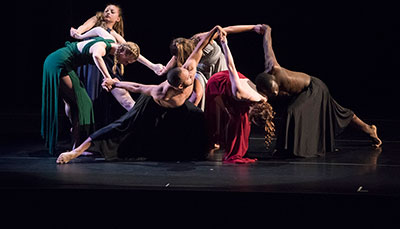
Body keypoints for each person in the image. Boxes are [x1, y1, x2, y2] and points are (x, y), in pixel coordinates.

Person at [55, 26, 222, 164]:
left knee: (198, 116)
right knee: (121, 125)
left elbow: (202, 43)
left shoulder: (190, 68)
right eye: (187, 80)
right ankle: (76, 151)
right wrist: (115, 82)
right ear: (178, 86)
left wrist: (215, 29)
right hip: (153, 105)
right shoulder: (160, 92)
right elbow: (136, 87)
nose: (191, 78)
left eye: (190, 76)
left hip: (177, 106)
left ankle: (205, 147)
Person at [255, 25, 382, 157]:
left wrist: (267, 30)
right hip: (304, 92)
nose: (276, 94)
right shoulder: (261, 87)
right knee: (339, 113)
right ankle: (369, 129)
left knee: (292, 111)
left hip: (314, 87)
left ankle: (285, 149)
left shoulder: (272, 65)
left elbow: (267, 46)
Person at [42, 26, 140, 155]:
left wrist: (80, 36)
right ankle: (76, 145)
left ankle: (76, 143)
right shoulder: (102, 47)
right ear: (123, 53)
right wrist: (108, 78)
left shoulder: (110, 39)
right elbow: (96, 56)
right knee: (82, 103)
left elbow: (98, 29)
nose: (125, 64)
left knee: (78, 103)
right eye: (127, 61)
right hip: (58, 63)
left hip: (66, 65)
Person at [70, 4, 164, 130]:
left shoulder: (114, 34)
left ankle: (145, 121)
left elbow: (132, 51)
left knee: (123, 97)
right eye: (106, 10)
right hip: (91, 65)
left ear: (118, 18)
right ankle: (86, 133)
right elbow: (83, 28)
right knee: (90, 99)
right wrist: (78, 32)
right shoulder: (96, 22)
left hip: (107, 66)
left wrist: (152, 66)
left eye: (112, 11)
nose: (107, 12)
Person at [204, 26, 275, 164]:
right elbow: (231, 66)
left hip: (241, 90)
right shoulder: (239, 92)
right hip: (220, 82)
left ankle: (235, 149)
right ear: (253, 110)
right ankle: (218, 141)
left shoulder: (264, 99)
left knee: (242, 121)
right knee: (230, 115)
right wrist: (224, 44)